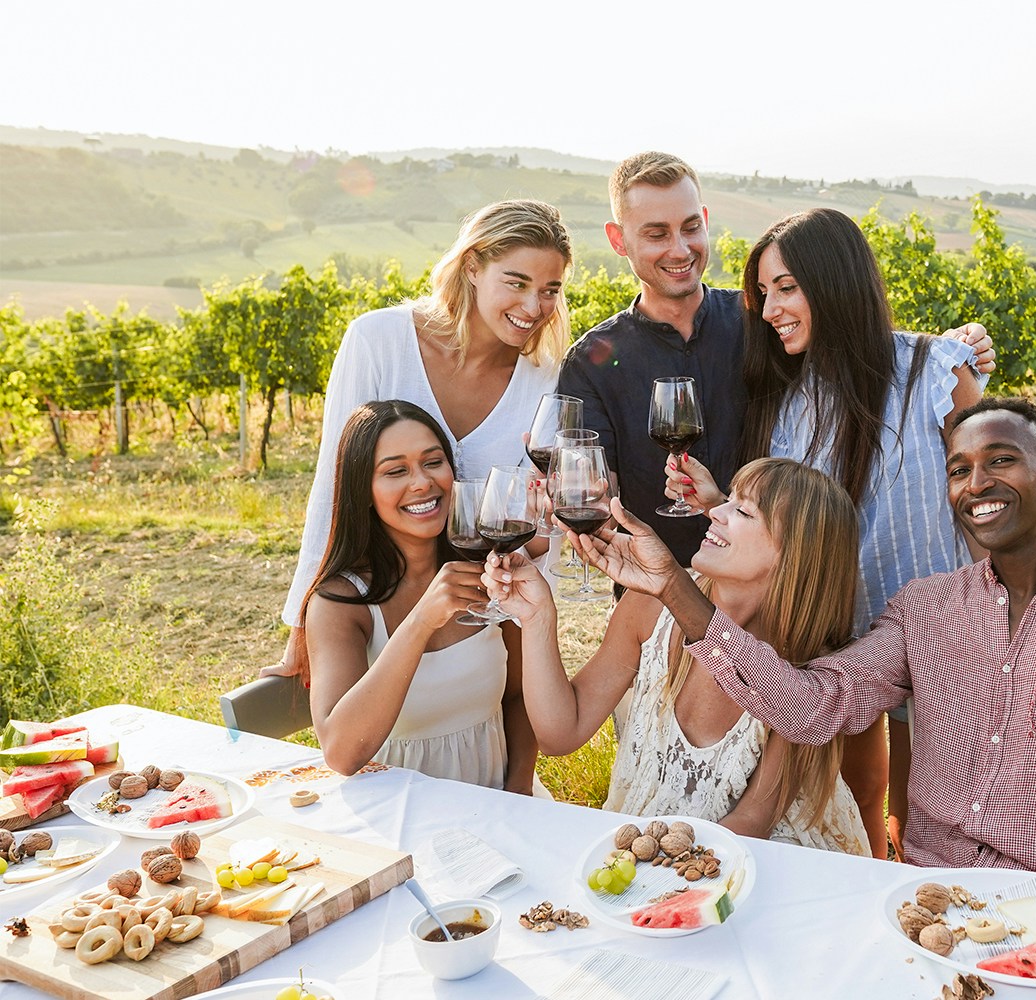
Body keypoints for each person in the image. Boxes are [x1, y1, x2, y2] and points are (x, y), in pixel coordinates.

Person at [577, 398, 1036, 907]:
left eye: (1001, 460)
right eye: (959, 469)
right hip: (927, 909)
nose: (977, 482)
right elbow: (809, 708)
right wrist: (672, 585)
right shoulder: (926, 610)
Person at [667, 207, 986, 860]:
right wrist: (716, 500)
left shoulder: (934, 370)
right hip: (843, 634)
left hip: (944, 634)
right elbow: (790, 521)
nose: (769, 308)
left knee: (930, 810)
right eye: (763, 292)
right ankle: (871, 898)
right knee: (858, 793)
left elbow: (988, 501)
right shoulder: (789, 403)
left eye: (787, 287)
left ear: (835, 281)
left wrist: (1008, 608)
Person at [557, 151, 995, 569]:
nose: (679, 249)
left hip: (777, 600)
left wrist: (952, 352)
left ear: (705, 221)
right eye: (656, 234)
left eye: (691, 227)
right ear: (618, 239)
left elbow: (856, 353)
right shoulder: (592, 362)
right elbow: (596, 499)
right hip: (659, 592)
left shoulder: (759, 326)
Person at [483, 458, 870, 853]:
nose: (713, 511)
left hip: (761, 855)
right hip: (652, 844)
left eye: (742, 510)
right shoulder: (649, 611)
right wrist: (537, 618)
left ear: (795, 555)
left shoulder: (805, 677)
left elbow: (752, 823)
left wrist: (651, 881)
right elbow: (560, 733)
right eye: (728, 498)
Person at [269, 199, 571, 681]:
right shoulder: (378, 341)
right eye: (516, 283)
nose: (534, 307)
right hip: (378, 611)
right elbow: (333, 484)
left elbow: (538, 529)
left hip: (482, 623)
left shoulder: (545, 381)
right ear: (473, 266)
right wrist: (303, 621)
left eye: (550, 289)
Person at [304, 400, 545, 795]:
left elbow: (518, 696)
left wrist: (518, 789)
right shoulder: (339, 603)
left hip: (500, 804)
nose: (421, 483)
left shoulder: (490, 571)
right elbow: (341, 753)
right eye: (396, 471)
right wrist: (422, 621)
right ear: (363, 490)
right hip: (395, 820)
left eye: (433, 462)